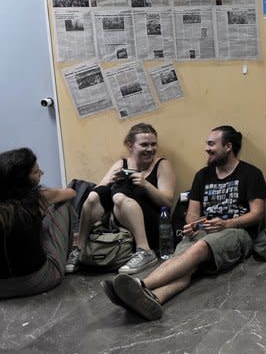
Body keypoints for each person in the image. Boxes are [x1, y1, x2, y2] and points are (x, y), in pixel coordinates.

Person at [102, 126, 266, 321]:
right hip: (204, 231)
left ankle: (140, 285)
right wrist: (194, 225)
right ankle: (153, 299)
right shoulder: (203, 175)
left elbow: (257, 214)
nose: (206, 148)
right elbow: (192, 214)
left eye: (211, 144)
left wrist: (227, 223)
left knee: (199, 247)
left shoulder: (250, 173)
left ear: (228, 146)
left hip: (237, 232)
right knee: (181, 262)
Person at [66, 123, 176, 275]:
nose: (150, 149)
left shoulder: (162, 165)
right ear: (130, 145)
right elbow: (99, 191)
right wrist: (111, 180)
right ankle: (79, 248)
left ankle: (145, 251)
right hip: (119, 222)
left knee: (119, 197)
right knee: (93, 197)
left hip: (149, 224)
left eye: (153, 144)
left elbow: (167, 203)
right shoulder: (121, 163)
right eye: (144, 145)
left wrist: (145, 185)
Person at [1, 148, 77, 299]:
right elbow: (71, 192)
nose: (42, 173)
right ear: (23, 179)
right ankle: (73, 254)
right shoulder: (37, 198)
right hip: (37, 282)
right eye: (36, 172)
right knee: (63, 206)